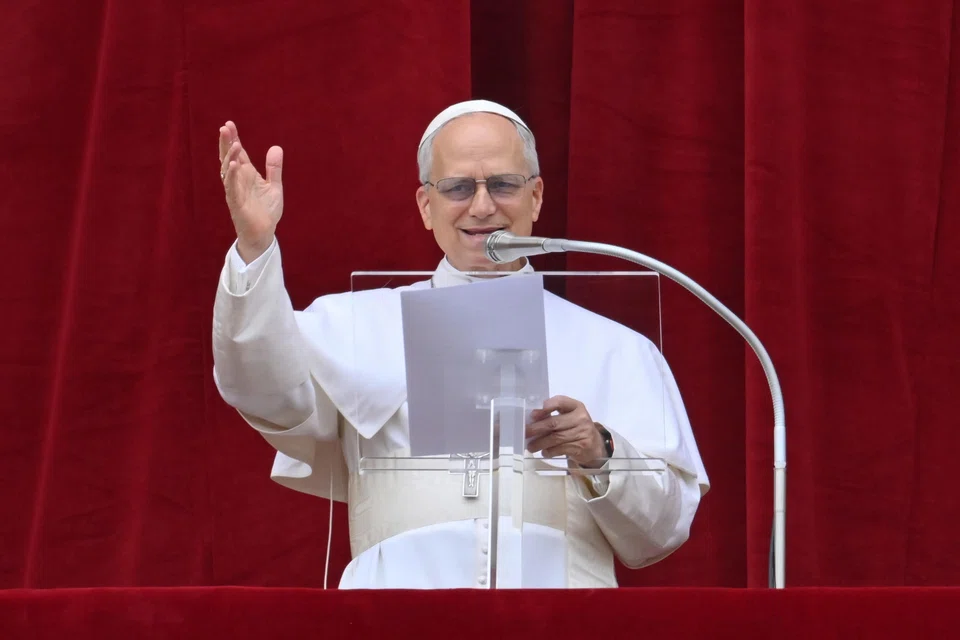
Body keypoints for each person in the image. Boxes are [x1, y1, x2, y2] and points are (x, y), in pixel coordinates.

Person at [212, 100, 709, 589]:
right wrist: (255, 248)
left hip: (559, 618)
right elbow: (260, 388)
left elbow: (662, 532)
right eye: (457, 188)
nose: (483, 206)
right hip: (394, 616)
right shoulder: (355, 324)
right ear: (426, 207)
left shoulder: (615, 348)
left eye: (503, 184)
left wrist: (598, 452)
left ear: (535, 197)